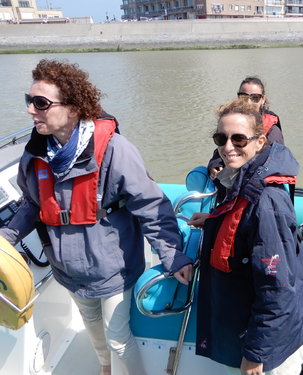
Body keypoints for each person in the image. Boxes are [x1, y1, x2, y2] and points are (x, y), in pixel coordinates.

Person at [0, 59, 193, 375]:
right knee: (93, 329)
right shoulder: (33, 155)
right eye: (29, 101)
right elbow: (32, 206)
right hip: (67, 272)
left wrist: (171, 254)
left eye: (41, 103)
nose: (30, 111)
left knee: (118, 338)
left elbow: (151, 206)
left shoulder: (115, 151)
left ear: (73, 108)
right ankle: (106, 367)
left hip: (111, 269)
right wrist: (5, 240)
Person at [194, 100, 303, 375]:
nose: (228, 147)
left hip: (274, 345)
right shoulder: (243, 179)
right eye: (221, 138)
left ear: (260, 141)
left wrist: (256, 353)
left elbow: (276, 287)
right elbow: (241, 227)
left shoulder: (266, 200)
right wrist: (213, 221)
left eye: (239, 139)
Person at [208, 76, 284, 179]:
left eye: (255, 98)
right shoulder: (234, 118)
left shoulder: (272, 130)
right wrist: (215, 163)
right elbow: (226, 145)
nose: (248, 102)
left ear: (263, 100)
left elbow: (275, 162)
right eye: (244, 97)